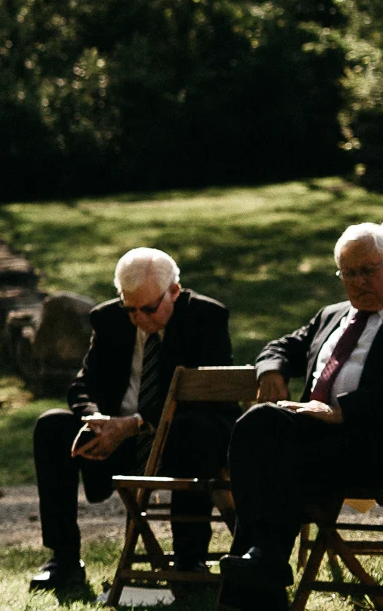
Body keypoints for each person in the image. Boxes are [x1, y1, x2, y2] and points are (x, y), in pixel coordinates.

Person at [209, 223, 383, 611]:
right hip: (307, 449)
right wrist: (271, 370)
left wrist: (341, 410)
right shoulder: (331, 315)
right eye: (347, 272)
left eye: (368, 270)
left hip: (369, 446)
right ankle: (264, 577)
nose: (357, 282)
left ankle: (258, 606)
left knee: (264, 436)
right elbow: (280, 346)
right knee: (259, 428)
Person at [26, 247, 234, 592]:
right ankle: (64, 559)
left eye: (149, 308)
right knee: (51, 426)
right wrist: (95, 419)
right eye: (130, 308)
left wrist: (136, 422)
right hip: (116, 438)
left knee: (194, 428)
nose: (138, 317)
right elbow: (83, 383)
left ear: (175, 292)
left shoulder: (206, 317)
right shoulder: (109, 319)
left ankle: (189, 557)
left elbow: (205, 395)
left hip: (181, 437)